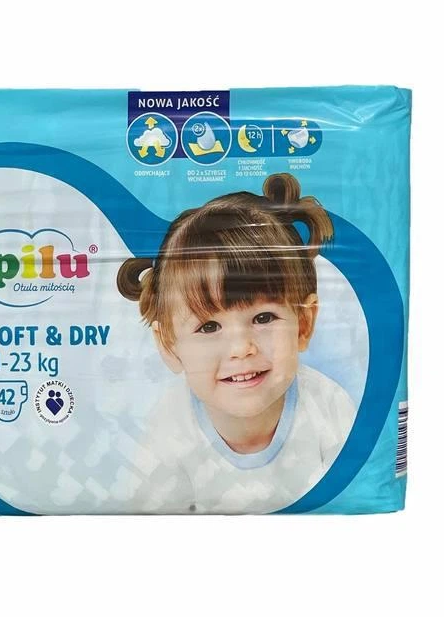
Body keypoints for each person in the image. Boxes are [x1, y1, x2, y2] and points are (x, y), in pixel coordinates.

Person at [117, 173, 355, 513]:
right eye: (209, 326)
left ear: (303, 324)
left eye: (263, 318)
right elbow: (147, 516)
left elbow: (356, 493)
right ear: (170, 345)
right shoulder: (169, 429)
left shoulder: (328, 408)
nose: (241, 348)